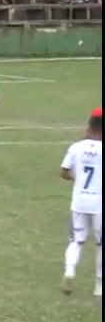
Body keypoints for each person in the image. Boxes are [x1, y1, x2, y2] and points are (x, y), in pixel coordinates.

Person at [59, 113, 102, 297]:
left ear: (89, 127)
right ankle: (99, 286)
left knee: (76, 240)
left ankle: (69, 271)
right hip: (99, 204)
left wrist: (75, 178)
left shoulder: (76, 147)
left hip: (79, 202)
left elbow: (64, 172)